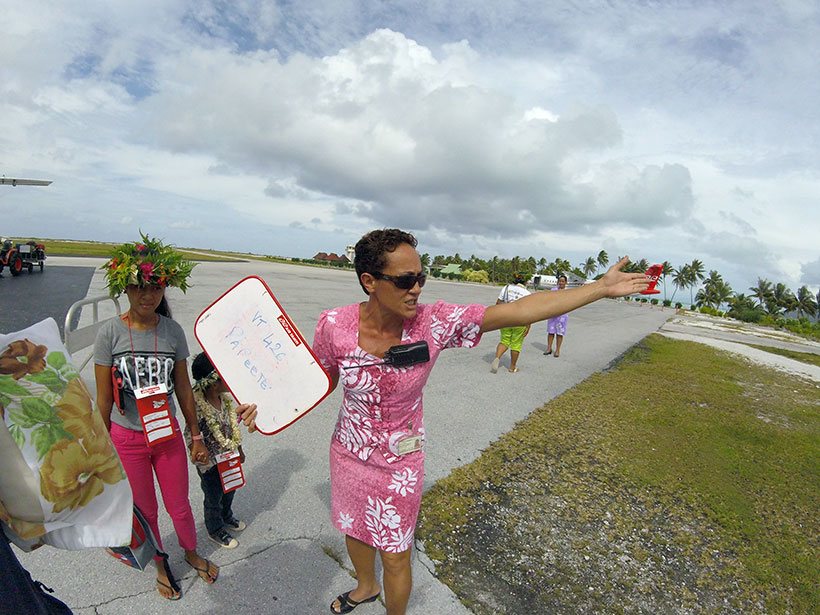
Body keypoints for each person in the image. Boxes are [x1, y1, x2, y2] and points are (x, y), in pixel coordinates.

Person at [312, 228, 648, 615]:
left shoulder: (433, 322)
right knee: (354, 526)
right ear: (369, 282)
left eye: (420, 278)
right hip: (349, 453)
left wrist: (598, 289)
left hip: (398, 464)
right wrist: (265, 405)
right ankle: (365, 586)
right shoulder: (333, 324)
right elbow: (320, 379)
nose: (416, 289)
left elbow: (520, 310)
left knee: (395, 555)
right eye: (405, 281)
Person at [93, 234, 221, 600]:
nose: (146, 295)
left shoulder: (173, 332)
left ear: (164, 288)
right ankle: (161, 563)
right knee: (145, 508)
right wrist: (101, 448)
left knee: (179, 504)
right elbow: (103, 399)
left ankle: (191, 552)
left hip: (166, 437)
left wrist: (195, 435)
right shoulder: (110, 334)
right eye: (137, 287)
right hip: (127, 438)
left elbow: (182, 388)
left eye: (154, 287)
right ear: (125, 288)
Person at [186, 352, 255, 549]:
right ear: (214, 383)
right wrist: (198, 454)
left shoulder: (224, 400)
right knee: (213, 496)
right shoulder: (197, 406)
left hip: (228, 458)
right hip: (209, 464)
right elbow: (190, 434)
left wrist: (239, 449)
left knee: (230, 489)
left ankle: (227, 516)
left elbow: (232, 428)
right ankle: (214, 529)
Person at [490, 273, 531, 373]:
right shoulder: (527, 294)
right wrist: (528, 326)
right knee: (516, 344)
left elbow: (498, 303)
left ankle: (497, 358)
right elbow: (530, 312)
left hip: (506, 318)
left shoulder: (507, 288)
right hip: (519, 320)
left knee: (504, 341)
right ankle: (512, 367)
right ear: (525, 282)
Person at [544, 274, 569, 357]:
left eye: (563, 281)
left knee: (559, 333)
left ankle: (557, 350)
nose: (561, 283)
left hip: (562, 316)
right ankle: (549, 348)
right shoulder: (553, 290)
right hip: (552, 314)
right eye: (559, 281)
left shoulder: (568, 292)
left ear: (566, 282)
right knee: (551, 332)